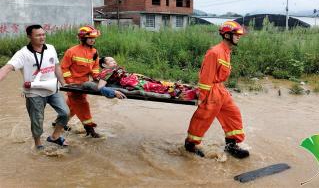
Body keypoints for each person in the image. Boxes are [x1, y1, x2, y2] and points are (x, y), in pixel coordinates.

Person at [184, 21, 250, 159]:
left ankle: (231, 145)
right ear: (227, 35)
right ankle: (191, 145)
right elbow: (205, 76)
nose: (239, 37)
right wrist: (203, 96)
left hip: (220, 89)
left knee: (233, 113)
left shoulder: (226, 51)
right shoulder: (215, 52)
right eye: (236, 34)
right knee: (203, 118)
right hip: (211, 90)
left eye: (240, 34)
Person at [0, 24, 69, 149]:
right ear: (29, 37)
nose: (42, 37)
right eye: (38, 35)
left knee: (65, 113)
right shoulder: (23, 54)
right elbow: (8, 67)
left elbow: (57, 67)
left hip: (53, 89)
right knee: (37, 121)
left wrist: (64, 84)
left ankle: (55, 137)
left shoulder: (51, 48)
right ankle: (38, 144)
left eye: (43, 34)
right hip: (34, 93)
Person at [61, 25, 102, 138]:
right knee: (82, 104)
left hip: (85, 84)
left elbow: (95, 68)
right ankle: (90, 129)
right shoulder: (72, 51)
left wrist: (97, 77)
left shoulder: (94, 52)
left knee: (72, 106)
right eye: (90, 38)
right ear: (83, 38)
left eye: (94, 38)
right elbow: (64, 68)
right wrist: (70, 83)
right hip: (73, 85)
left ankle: (59, 123)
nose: (93, 40)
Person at [96, 57, 198, 100]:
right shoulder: (106, 73)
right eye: (110, 61)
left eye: (114, 60)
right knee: (158, 87)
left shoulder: (114, 69)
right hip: (135, 83)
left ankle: (188, 89)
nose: (114, 62)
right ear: (104, 65)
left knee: (160, 83)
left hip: (136, 78)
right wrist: (114, 93)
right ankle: (186, 93)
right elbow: (100, 88)